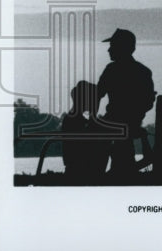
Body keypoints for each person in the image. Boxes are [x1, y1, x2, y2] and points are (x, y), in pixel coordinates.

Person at [96, 28, 155, 177]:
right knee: (123, 163)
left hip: (112, 125)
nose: (109, 50)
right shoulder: (143, 72)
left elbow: (97, 95)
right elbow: (148, 102)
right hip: (131, 125)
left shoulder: (111, 70)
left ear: (122, 48)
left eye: (113, 46)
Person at [59, 80, 110, 182]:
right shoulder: (75, 121)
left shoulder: (76, 119)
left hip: (80, 170)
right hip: (80, 171)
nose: (94, 105)